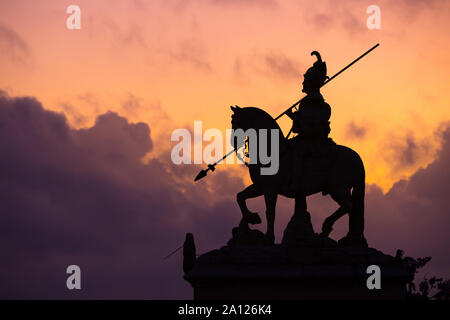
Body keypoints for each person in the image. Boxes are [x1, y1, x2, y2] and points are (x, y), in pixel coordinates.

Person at [286, 51, 335, 191]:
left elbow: (308, 125)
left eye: (306, 79)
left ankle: (296, 183)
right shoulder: (307, 102)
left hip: (313, 141)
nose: (303, 82)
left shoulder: (314, 101)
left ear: (312, 83)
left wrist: (294, 117)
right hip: (306, 138)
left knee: (297, 153)